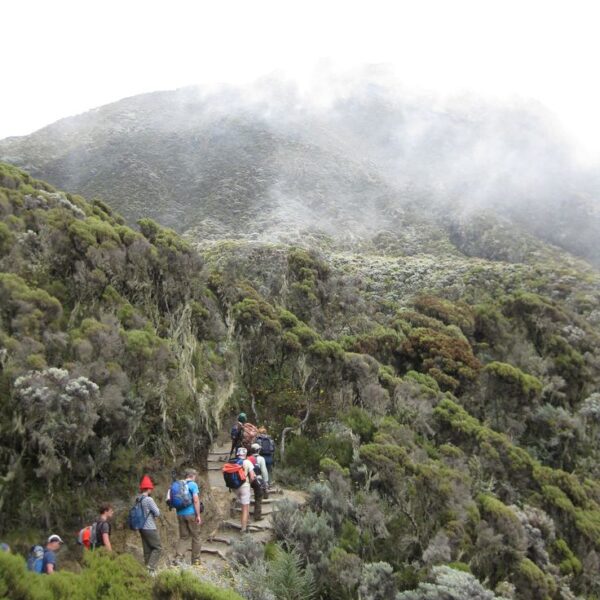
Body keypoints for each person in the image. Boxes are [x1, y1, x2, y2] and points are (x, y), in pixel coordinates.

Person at [175, 468, 202, 565]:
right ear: (192, 476)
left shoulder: (179, 484)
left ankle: (178, 558)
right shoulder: (193, 484)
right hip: (190, 514)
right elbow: (196, 500)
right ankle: (196, 561)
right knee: (196, 536)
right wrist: (198, 515)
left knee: (183, 537)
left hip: (180, 514)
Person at [137, 475, 162, 574]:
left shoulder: (138, 499)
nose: (151, 490)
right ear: (148, 488)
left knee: (147, 549)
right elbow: (157, 512)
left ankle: (147, 572)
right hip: (149, 527)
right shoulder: (148, 499)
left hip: (141, 527)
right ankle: (150, 568)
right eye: (151, 488)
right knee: (157, 547)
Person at [234, 447, 256, 533]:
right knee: (245, 508)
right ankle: (243, 529)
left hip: (235, 487)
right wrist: (249, 483)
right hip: (244, 486)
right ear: (245, 454)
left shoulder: (233, 461)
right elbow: (252, 476)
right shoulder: (247, 462)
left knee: (244, 505)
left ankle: (247, 520)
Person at [248, 443, 269, 520]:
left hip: (249, 479)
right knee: (258, 497)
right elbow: (264, 471)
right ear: (258, 450)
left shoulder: (248, 458)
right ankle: (257, 516)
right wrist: (266, 481)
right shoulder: (261, 459)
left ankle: (247, 516)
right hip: (258, 479)